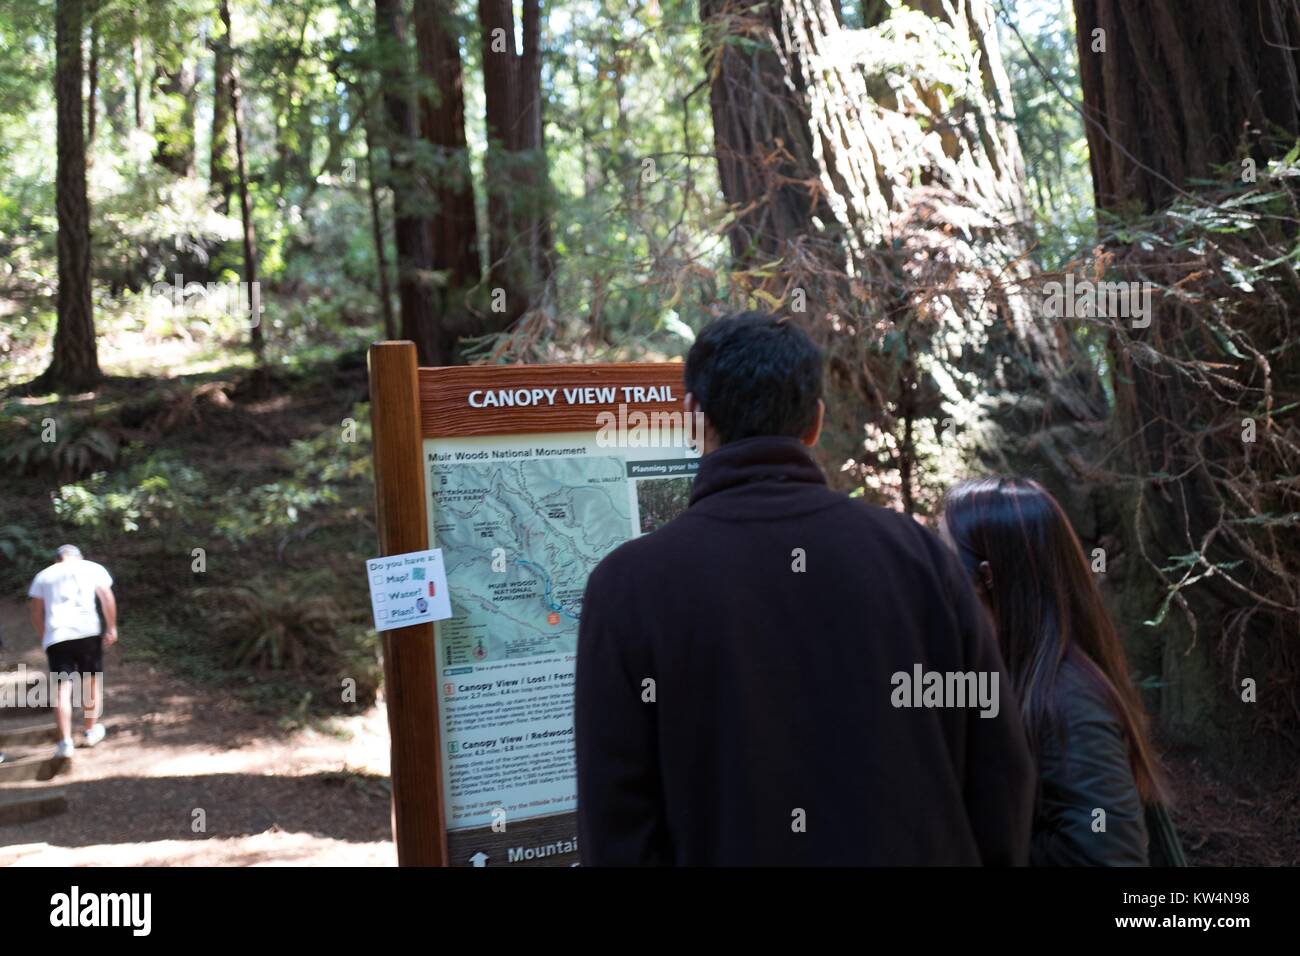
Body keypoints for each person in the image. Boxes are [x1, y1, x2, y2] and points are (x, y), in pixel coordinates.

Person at [574, 312, 1036, 865]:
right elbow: (1000, 773)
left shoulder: (626, 588)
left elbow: (618, 825)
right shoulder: (917, 558)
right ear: (815, 422)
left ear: (693, 417)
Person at [941, 477, 1169, 866]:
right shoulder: (1015, 670)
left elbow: (1108, 857)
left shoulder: (1069, 700)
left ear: (985, 578)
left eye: (943, 557)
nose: (935, 573)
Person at [28, 544, 117, 759]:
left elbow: (36, 613)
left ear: (57, 558)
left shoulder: (44, 576)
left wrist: (45, 637)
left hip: (57, 636)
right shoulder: (93, 568)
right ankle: (89, 731)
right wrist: (112, 627)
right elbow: (106, 596)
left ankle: (65, 742)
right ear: (79, 556)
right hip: (88, 633)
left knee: (62, 689)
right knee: (90, 683)